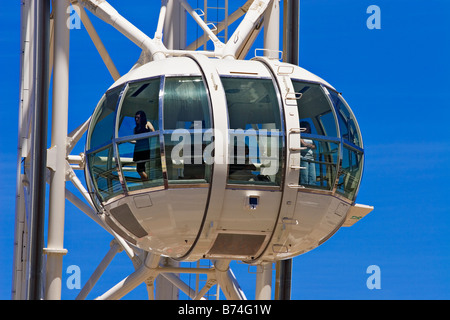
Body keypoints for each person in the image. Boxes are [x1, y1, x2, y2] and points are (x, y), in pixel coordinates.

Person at [133, 110, 155, 181]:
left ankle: (146, 180)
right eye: (136, 118)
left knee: (139, 169)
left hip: (144, 149)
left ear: (142, 118)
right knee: (141, 168)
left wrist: (148, 127)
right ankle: (144, 182)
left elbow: (153, 131)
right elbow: (135, 141)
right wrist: (126, 141)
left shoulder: (147, 124)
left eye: (138, 117)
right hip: (137, 149)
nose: (136, 119)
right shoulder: (135, 129)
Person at [300, 121, 316, 186]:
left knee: (312, 176)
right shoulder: (299, 136)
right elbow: (304, 144)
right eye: (306, 127)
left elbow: (314, 147)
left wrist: (308, 145)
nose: (308, 129)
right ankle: (304, 187)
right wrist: (310, 145)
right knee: (304, 176)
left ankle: (312, 187)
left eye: (308, 127)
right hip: (303, 157)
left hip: (311, 158)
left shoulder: (310, 137)